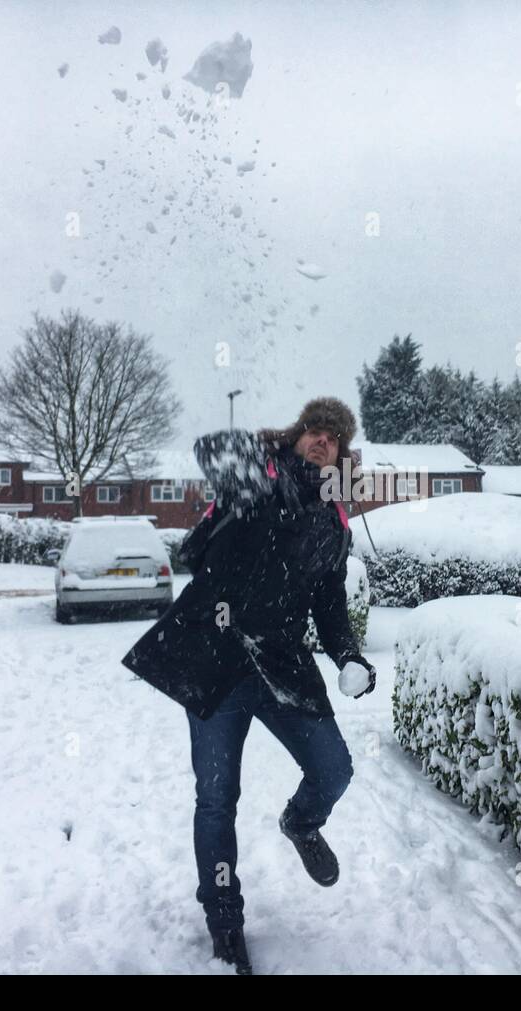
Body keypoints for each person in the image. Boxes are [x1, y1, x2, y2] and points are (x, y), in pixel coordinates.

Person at [121, 396, 376, 975]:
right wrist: (264, 452)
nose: (320, 440)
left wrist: (348, 654)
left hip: (281, 666)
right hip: (217, 662)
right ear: (296, 435)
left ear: (342, 452)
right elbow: (210, 448)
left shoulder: (332, 520)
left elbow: (330, 601)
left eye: (332, 437)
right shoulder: (257, 481)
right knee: (216, 801)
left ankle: (301, 823)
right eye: (312, 430)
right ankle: (224, 921)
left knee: (333, 767)